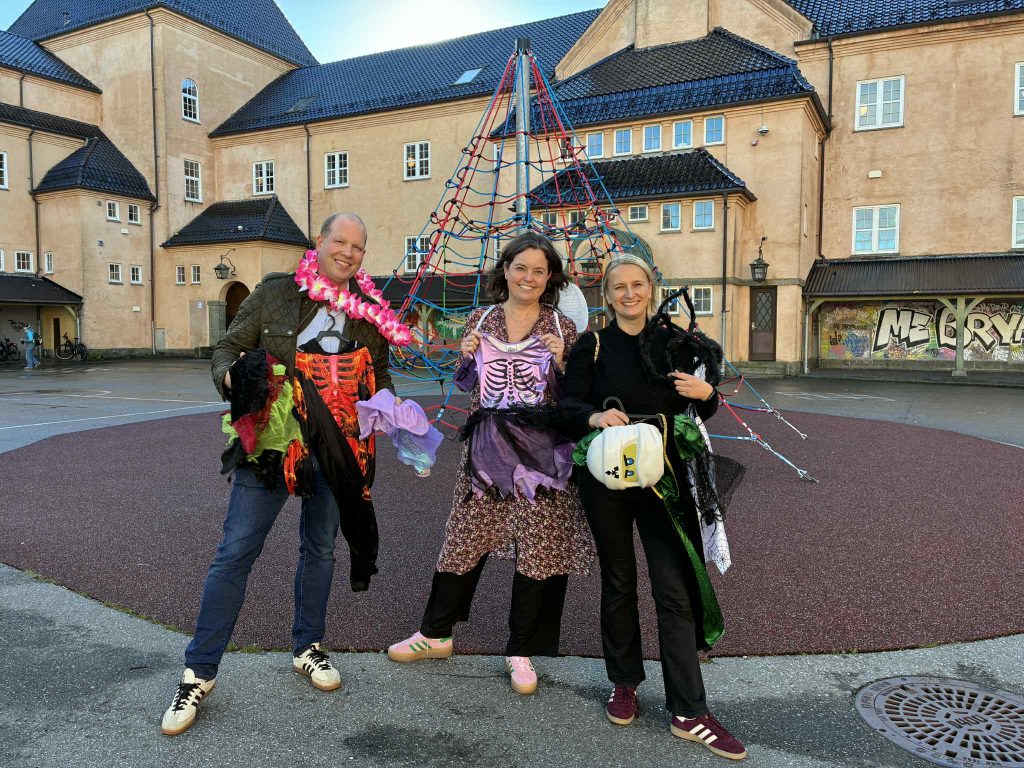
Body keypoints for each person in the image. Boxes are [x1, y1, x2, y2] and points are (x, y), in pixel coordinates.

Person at [161, 212, 396, 736]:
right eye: (341, 241)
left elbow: (380, 375)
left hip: (338, 450)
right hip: (272, 444)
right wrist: (234, 381)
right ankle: (198, 672)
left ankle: (307, 646)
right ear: (320, 241)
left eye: (359, 246)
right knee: (235, 552)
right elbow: (227, 347)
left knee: (320, 548)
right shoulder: (274, 294)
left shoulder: (371, 308)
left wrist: (390, 409)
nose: (349, 253)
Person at [387, 232, 593, 695]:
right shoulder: (480, 319)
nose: (529, 277)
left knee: (539, 550)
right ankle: (435, 633)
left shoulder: (563, 329)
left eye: (539, 271)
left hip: (545, 459)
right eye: (521, 267)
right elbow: (468, 383)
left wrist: (562, 364)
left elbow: (577, 398)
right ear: (505, 270)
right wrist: (465, 357)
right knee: (464, 538)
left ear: (550, 278)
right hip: (488, 455)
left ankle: (521, 650)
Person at [559, 255, 747, 761]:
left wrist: (708, 393)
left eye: (637, 284)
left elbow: (700, 403)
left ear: (651, 286)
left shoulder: (674, 342)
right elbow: (566, 406)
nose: (629, 293)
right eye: (618, 286)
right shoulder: (591, 344)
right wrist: (594, 414)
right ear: (606, 293)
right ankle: (624, 681)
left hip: (664, 476)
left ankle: (689, 710)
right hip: (607, 477)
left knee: (675, 587)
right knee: (618, 579)